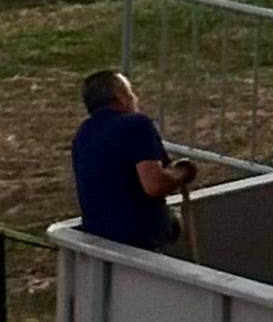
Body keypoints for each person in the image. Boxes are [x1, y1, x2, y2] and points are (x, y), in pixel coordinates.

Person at [70, 70, 195, 249]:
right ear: (121, 96)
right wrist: (182, 172)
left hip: (98, 239)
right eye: (131, 92)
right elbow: (155, 185)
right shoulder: (137, 124)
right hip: (138, 242)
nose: (136, 99)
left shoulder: (83, 134)